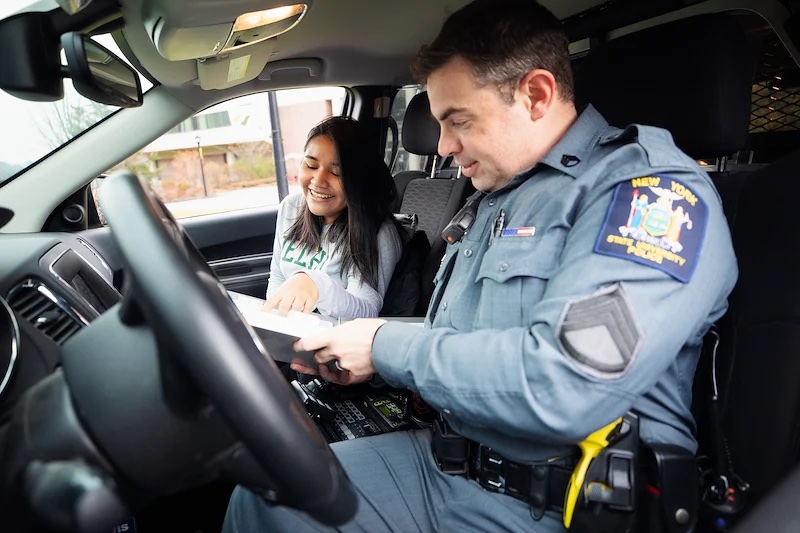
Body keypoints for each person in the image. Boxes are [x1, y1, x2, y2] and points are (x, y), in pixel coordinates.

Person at [224, 0, 737, 531]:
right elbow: (464, 336)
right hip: (449, 461)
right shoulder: (498, 196)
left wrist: (385, 346)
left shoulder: (653, 199)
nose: (444, 147)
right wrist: (358, 341)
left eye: (458, 120)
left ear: (535, 95)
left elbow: (565, 383)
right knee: (264, 496)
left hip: (560, 500)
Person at [263, 116, 403, 320]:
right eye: (311, 166)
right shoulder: (291, 208)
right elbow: (277, 278)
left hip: (339, 343)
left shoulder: (378, 231)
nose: (318, 181)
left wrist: (317, 285)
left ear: (359, 180)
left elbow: (367, 310)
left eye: (337, 173)